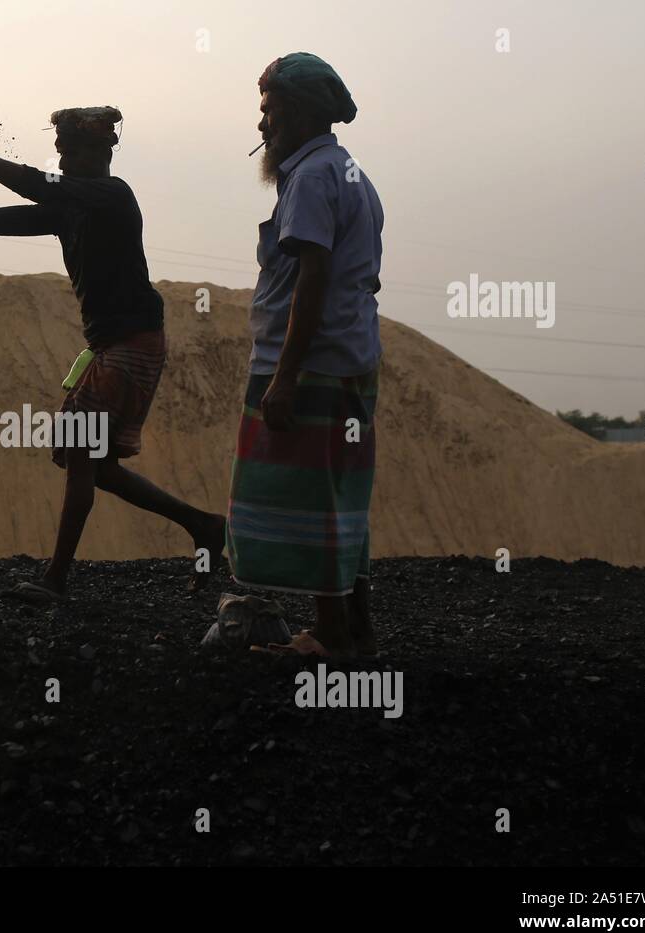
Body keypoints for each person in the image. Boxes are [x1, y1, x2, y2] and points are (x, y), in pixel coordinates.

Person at [0, 106, 226, 601]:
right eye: (60, 150)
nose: (62, 159)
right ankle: (204, 526)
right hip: (116, 345)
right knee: (95, 463)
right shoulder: (72, 207)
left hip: (131, 344)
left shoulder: (111, 196)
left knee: (81, 450)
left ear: (101, 152)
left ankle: (55, 581)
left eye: (70, 151)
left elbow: (37, 186)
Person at [227, 52, 384, 657]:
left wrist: (285, 377)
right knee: (340, 502)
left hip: (312, 367)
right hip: (347, 361)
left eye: (268, 111)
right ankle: (358, 631)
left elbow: (310, 280)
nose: (262, 124)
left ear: (292, 113)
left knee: (309, 500)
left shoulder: (314, 178)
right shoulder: (347, 173)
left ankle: (330, 636)